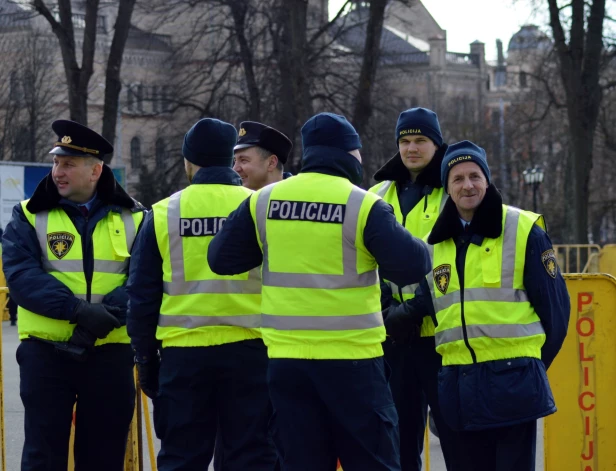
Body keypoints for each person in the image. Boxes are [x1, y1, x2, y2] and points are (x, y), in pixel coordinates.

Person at [207, 112, 432, 471]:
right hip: (352, 362)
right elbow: (412, 265)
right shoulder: (362, 204)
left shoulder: (263, 202)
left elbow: (220, 258)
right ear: (348, 154)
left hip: (288, 364)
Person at [387, 140, 571, 470]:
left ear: (487, 180)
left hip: (512, 386)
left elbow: (556, 312)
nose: (467, 185)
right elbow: (425, 302)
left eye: (475, 176)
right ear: (447, 186)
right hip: (458, 389)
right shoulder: (434, 244)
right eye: (457, 179)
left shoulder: (522, 229)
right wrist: (385, 321)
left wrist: (531, 369)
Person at [126, 118, 278, 471]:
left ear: (188, 161)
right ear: (230, 159)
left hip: (184, 357)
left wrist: (146, 361)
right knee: (252, 455)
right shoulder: (259, 206)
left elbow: (142, 297)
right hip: (251, 353)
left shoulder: (164, 213)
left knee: (182, 457)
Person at [2, 120, 145, 471]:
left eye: (68, 164)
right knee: (43, 456)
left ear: (95, 170)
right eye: (55, 162)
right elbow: (22, 277)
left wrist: (101, 318)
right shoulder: (27, 214)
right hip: (46, 354)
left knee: (103, 456)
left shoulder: (137, 217)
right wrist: (78, 311)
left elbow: (144, 281)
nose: (58, 172)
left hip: (110, 354)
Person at [369, 107, 454, 471]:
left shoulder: (453, 190)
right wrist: (386, 307)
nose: (411, 148)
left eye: (420, 140)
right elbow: (364, 258)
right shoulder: (375, 193)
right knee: (398, 441)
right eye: (405, 141)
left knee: (455, 435)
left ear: (436, 144)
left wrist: (416, 307)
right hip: (392, 335)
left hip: (440, 335)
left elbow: (451, 259)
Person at [233, 121, 294, 190]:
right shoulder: (234, 197)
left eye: (243, 160)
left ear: (271, 163)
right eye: (235, 160)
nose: (235, 169)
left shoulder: (298, 197)